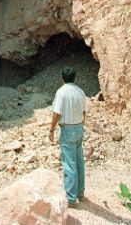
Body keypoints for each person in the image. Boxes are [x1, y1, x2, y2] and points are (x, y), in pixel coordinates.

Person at [49, 66, 87, 206]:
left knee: (69, 163)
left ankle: (71, 198)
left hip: (67, 130)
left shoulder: (61, 92)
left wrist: (51, 129)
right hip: (79, 127)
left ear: (62, 78)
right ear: (74, 77)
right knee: (79, 161)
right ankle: (80, 193)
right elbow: (84, 112)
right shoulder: (80, 92)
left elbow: (57, 113)